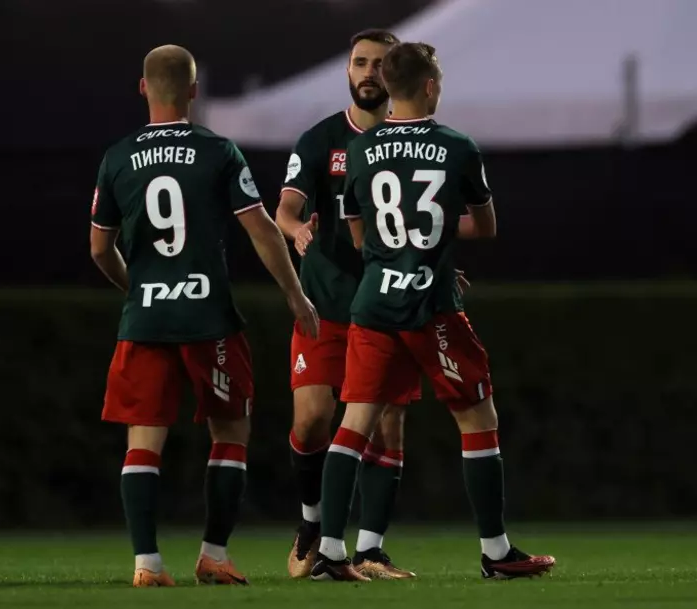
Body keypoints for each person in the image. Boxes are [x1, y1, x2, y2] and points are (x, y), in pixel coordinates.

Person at [308, 42, 556, 582]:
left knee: (353, 424)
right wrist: (434, 238)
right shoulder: (456, 146)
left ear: (388, 86)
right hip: (430, 304)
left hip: (374, 303)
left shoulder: (361, 149)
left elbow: (360, 237)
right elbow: (485, 226)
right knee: (477, 417)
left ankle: (329, 552)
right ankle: (496, 552)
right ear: (429, 86)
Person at [90, 44, 319, 588]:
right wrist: (295, 295)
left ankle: (147, 565)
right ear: (194, 90)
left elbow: (99, 248)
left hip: (146, 319)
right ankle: (213, 555)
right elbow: (262, 229)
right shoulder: (218, 152)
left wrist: (138, 289)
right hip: (209, 318)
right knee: (231, 431)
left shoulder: (117, 157)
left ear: (143, 88)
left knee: (143, 442)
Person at [275, 28, 423, 580]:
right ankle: (312, 522)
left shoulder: (413, 143)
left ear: (394, 73)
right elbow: (286, 208)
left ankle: (370, 550)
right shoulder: (320, 139)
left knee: (389, 427)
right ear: (348, 70)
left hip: (388, 304)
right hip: (326, 305)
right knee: (314, 418)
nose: (368, 72)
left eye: (379, 63)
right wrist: (296, 230)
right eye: (360, 62)